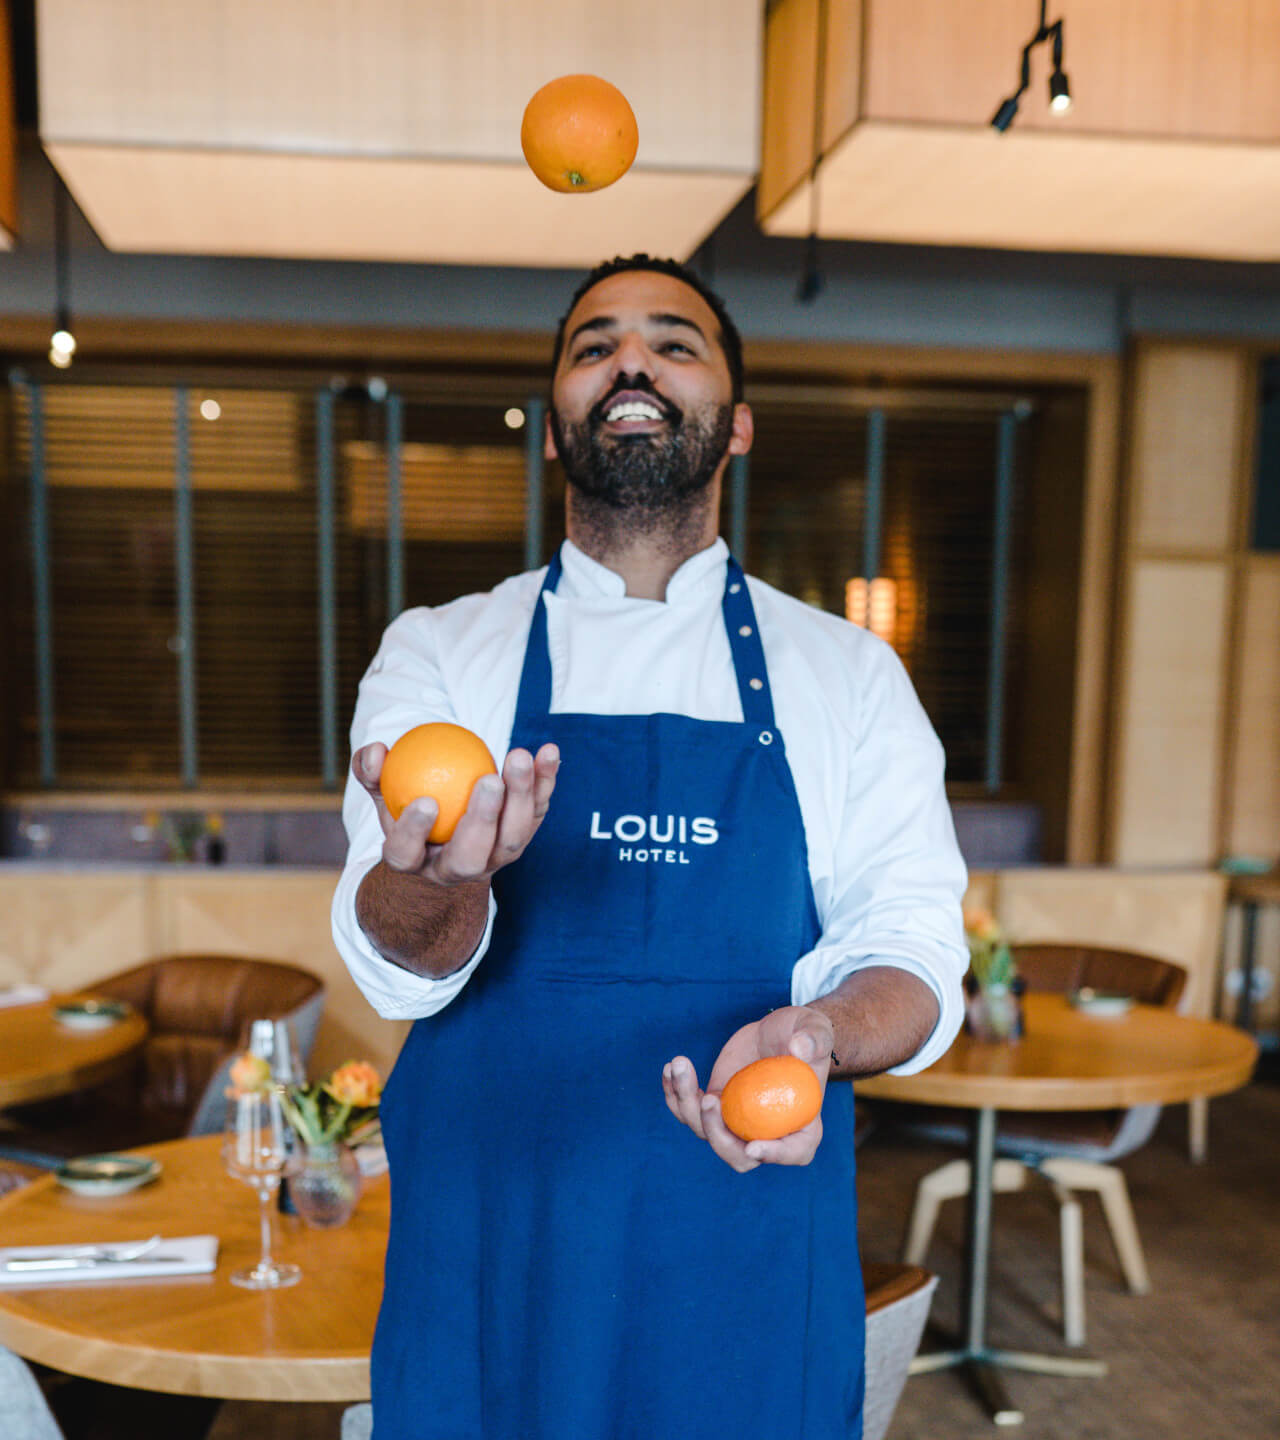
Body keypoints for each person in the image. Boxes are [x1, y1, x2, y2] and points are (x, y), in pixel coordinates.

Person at [331, 254, 968, 1440]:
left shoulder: (846, 674)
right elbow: (395, 956)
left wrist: (820, 1034)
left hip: (737, 1244)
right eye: (592, 346)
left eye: (672, 341)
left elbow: (913, 950)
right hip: (490, 1241)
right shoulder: (441, 654)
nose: (629, 360)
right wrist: (441, 888)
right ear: (555, 425)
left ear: (734, 427)